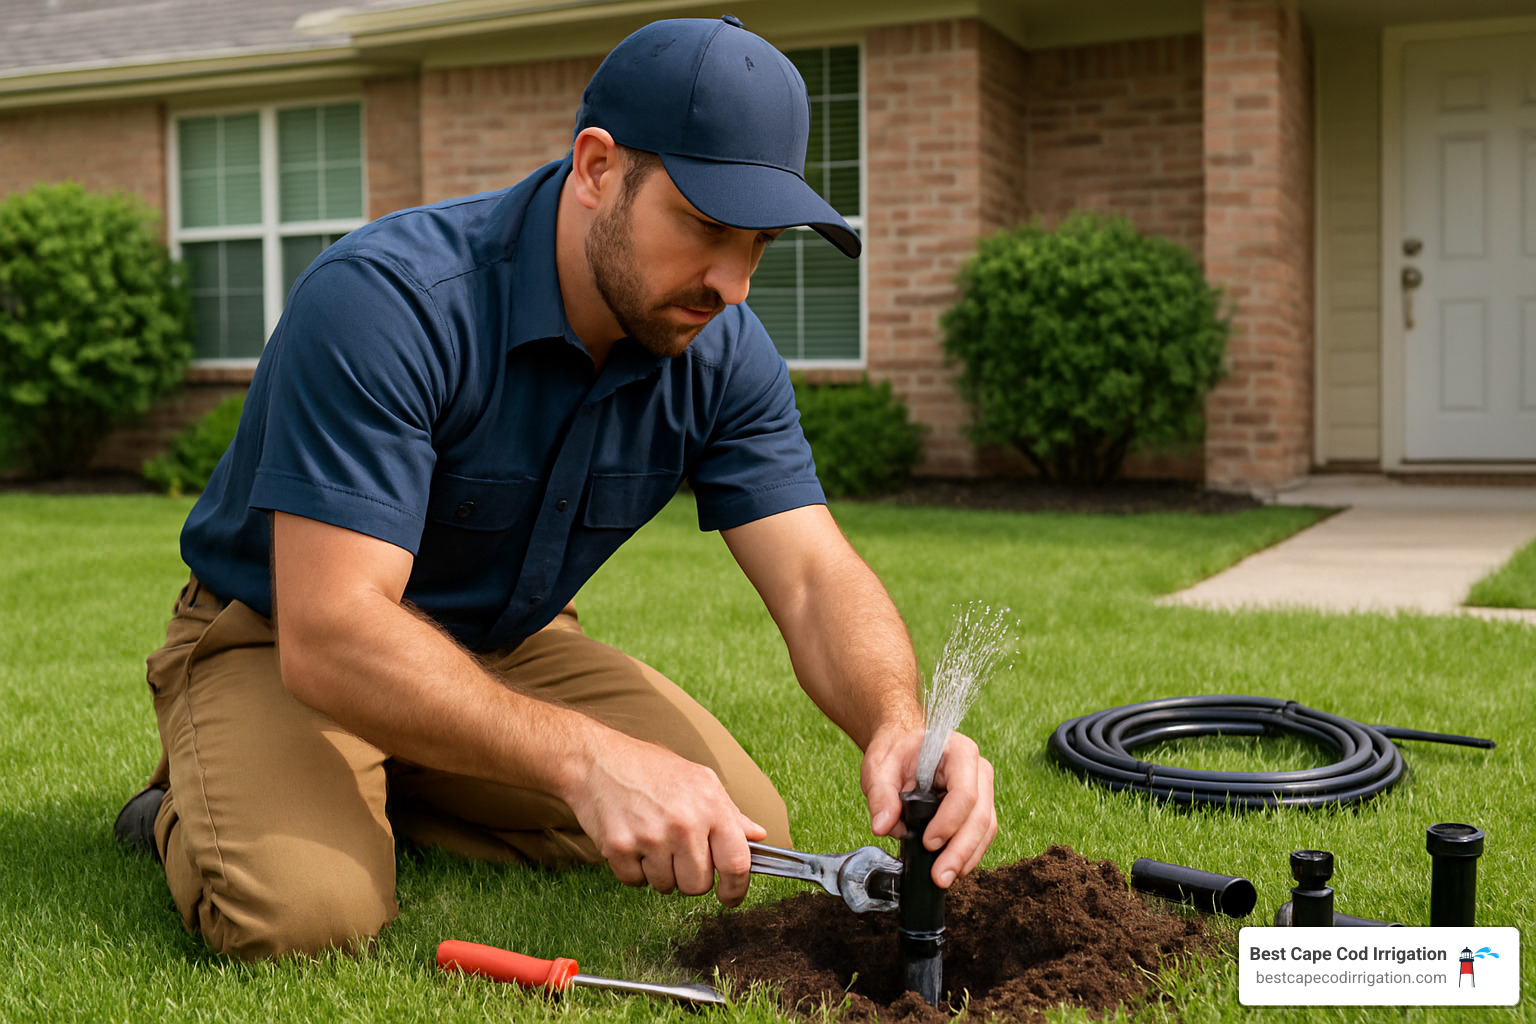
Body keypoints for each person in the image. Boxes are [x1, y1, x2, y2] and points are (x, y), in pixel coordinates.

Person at [115, 15, 996, 961]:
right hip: (285, 637)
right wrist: (585, 758)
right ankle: (195, 798)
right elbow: (331, 634)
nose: (733, 286)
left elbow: (815, 576)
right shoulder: (389, 302)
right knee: (306, 918)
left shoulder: (719, 347)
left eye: (761, 245)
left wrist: (899, 722)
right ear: (596, 169)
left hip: (505, 647)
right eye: (705, 227)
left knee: (735, 830)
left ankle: (394, 779)